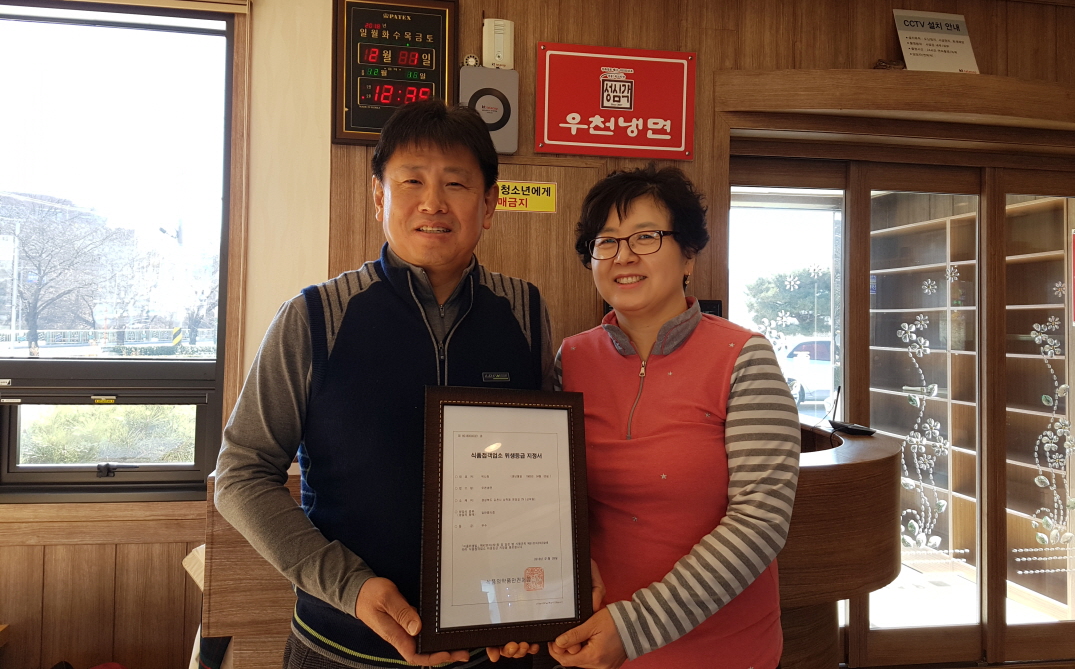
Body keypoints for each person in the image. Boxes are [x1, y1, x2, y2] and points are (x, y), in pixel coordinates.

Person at [215, 100, 553, 669]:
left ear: (489, 204)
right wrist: (349, 587)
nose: (433, 202)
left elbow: (545, 473)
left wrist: (532, 603)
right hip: (340, 648)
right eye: (412, 181)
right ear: (379, 197)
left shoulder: (525, 312)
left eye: (456, 183)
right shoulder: (314, 317)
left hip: (493, 650)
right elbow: (242, 473)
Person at [549, 164, 800, 669]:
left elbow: (761, 519)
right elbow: (554, 497)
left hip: (725, 650)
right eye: (606, 241)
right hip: (595, 643)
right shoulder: (570, 360)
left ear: (688, 254)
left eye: (646, 237)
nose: (623, 256)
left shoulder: (744, 357)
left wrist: (635, 627)